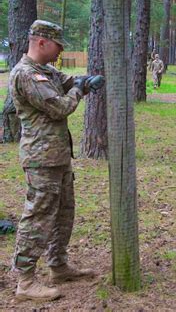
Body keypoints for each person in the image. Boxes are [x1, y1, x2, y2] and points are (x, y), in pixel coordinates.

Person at [9, 20, 105, 301]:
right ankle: (25, 282)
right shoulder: (26, 74)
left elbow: (68, 81)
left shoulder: (45, 70)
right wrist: (79, 91)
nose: (60, 51)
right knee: (38, 217)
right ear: (41, 42)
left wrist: (84, 81)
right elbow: (60, 107)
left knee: (64, 213)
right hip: (41, 159)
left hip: (58, 157)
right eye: (57, 46)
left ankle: (58, 265)